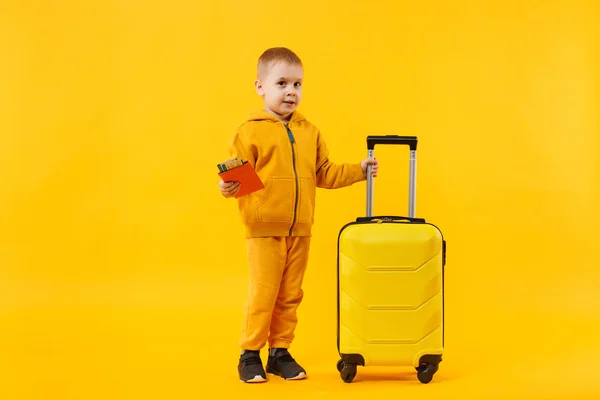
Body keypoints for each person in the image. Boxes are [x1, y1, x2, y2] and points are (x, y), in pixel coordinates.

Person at [219, 47, 379, 383]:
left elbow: (325, 172)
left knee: (291, 294)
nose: (291, 92)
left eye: (298, 84)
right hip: (263, 228)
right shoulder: (248, 132)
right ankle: (250, 354)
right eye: (282, 83)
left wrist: (359, 171)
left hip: (301, 229)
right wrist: (229, 188)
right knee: (264, 293)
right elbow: (237, 177)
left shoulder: (310, 132)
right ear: (261, 87)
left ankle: (280, 352)